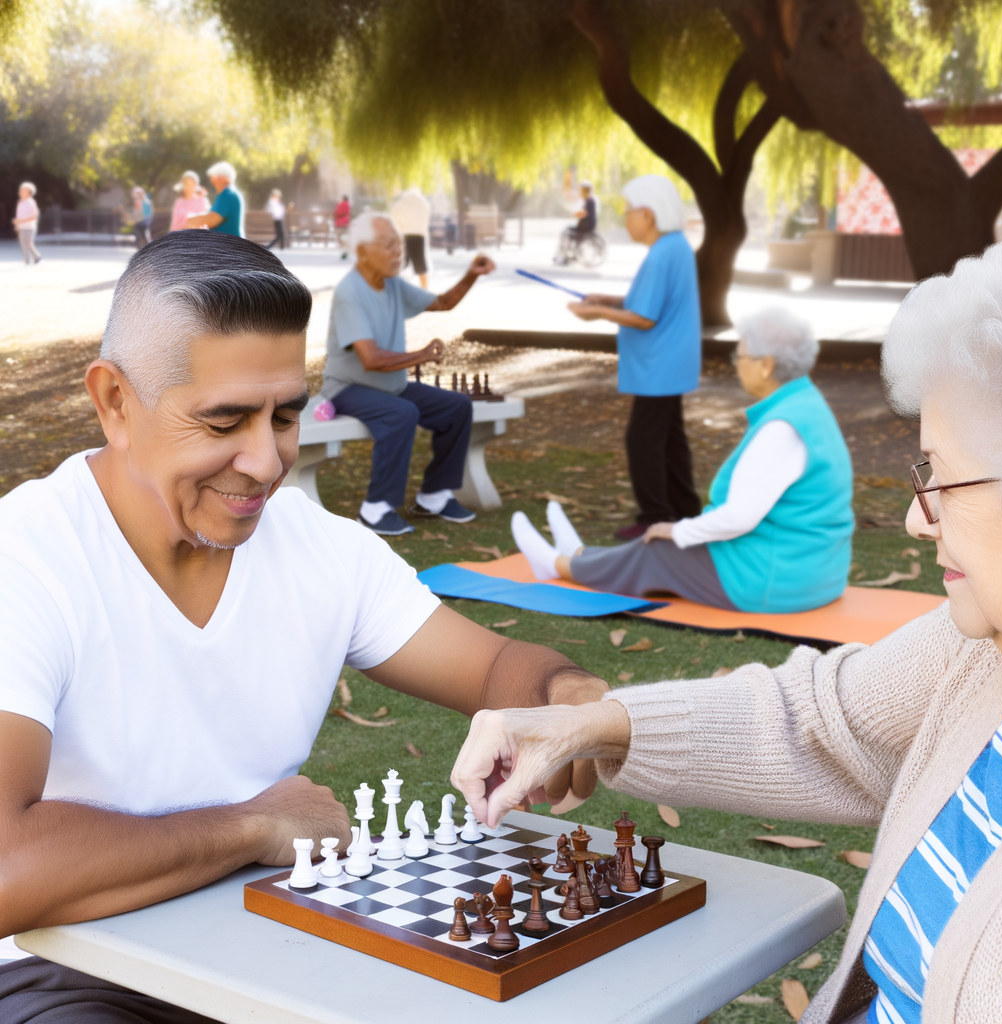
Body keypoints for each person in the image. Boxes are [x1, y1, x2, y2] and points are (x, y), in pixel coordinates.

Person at [0, 230, 607, 1021]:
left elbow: (495, 670)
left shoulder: (324, 552)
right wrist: (255, 826)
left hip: (270, 948)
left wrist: (567, 696)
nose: (264, 461)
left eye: (286, 415)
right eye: (223, 423)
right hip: (65, 969)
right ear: (115, 401)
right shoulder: (28, 560)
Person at [453, 241, 1002, 1023]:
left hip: (767, 573)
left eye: (940, 479)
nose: (911, 521)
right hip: (765, 565)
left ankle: (571, 559)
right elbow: (821, 717)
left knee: (655, 553)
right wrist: (597, 723)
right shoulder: (979, 651)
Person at [512, 308, 853, 613]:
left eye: (741, 355)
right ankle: (582, 556)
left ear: (766, 366)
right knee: (664, 544)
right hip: (814, 571)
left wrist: (678, 528)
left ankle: (557, 566)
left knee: (663, 549)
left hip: (777, 580)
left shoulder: (783, 427)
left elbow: (739, 518)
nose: (736, 364)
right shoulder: (806, 405)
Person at [318, 211, 495, 536]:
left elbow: (442, 303)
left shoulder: (393, 285)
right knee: (402, 413)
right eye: (388, 245)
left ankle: (435, 497)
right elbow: (369, 359)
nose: (398, 252)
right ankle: (375, 509)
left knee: (456, 406)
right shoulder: (350, 294)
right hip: (347, 389)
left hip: (389, 386)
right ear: (362, 252)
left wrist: (472, 274)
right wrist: (421, 355)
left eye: (399, 245)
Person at [568, 174, 702, 541]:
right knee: (670, 440)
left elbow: (645, 317)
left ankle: (654, 516)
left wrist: (597, 313)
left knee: (642, 440)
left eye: (629, 212)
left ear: (649, 214)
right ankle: (685, 511)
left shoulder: (662, 254)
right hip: (670, 362)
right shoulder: (676, 246)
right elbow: (649, 302)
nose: (626, 219)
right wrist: (610, 300)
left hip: (659, 365)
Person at [184, 161, 245, 237]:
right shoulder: (224, 194)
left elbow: (212, 219)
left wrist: (190, 220)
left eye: (214, 177)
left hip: (231, 245)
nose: (212, 181)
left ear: (222, 178)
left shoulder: (228, 194)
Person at [390, 186, 431, 288]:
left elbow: (394, 217)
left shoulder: (401, 202)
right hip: (419, 235)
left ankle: (396, 289)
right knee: (421, 265)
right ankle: (425, 289)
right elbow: (426, 216)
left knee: (401, 264)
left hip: (405, 235)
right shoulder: (423, 202)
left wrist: (400, 229)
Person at [554, 180, 598, 265]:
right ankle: (567, 254)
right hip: (586, 225)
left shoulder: (589, 200)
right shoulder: (589, 200)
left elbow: (585, 213)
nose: (580, 192)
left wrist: (575, 214)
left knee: (566, 233)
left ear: (585, 190)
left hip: (586, 227)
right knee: (567, 230)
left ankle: (566, 256)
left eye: (582, 190)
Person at [12, 181, 41, 264]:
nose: (20, 192)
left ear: (28, 191)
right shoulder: (20, 202)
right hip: (22, 227)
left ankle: (36, 256)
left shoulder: (31, 202)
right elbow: (18, 214)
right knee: (23, 244)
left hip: (29, 227)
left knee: (28, 243)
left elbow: (33, 216)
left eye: (22, 190)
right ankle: (26, 260)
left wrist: (20, 221)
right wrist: (17, 224)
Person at [334, 194, 351, 259]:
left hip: (340, 223)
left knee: (340, 236)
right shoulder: (348, 205)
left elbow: (338, 213)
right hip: (345, 222)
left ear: (343, 199)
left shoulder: (341, 205)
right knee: (344, 236)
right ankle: (345, 247)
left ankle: (343, 248)